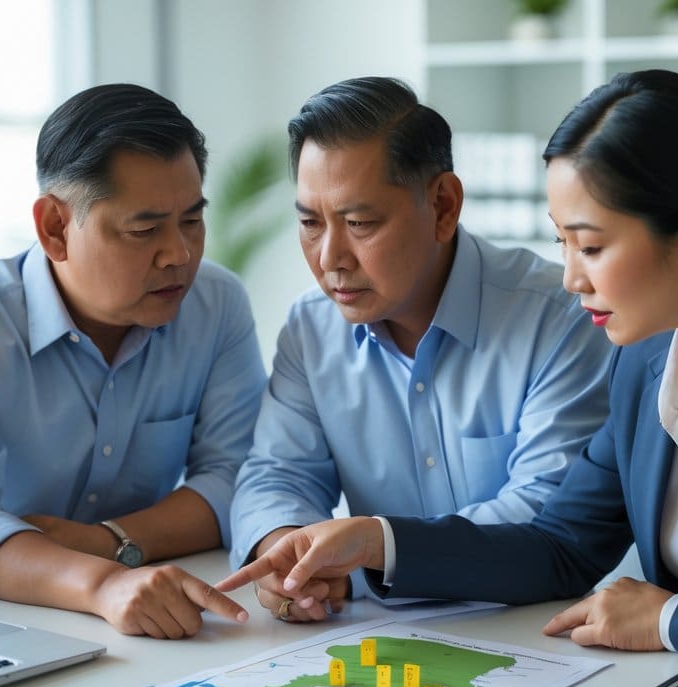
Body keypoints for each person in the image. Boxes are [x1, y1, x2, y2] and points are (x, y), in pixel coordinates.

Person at [218, 69, 678, 678]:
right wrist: (377, 541)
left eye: (590, 245)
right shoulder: (644, 360)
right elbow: (559, 546)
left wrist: (668, 619)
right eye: (561, 243)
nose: (570, 278)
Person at [229, 76, 612, 623]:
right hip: (380, 644)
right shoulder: (311, 329)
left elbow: (545, 518)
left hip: (536, 632)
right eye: (310, 223)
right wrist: (288, 552)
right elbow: (275, 474)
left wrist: (372, 552)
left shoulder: (559, 318)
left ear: (443, 206)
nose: (330, 257)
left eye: (360, 223)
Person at [0, 83, 266, 638]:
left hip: (154, 616)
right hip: (4, 622)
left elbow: (238, 478)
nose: (180, 255)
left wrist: (105, 542)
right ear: (54, 228)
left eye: (192, 220)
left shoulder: (216, 304)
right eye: (145, 230)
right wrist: (104, 583)